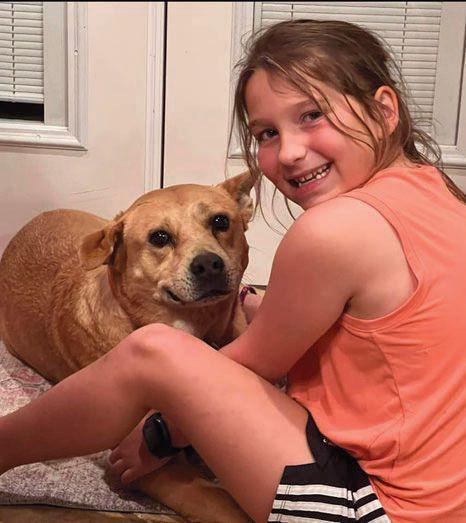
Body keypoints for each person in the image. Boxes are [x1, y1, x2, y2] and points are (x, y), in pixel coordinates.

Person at [1, 19, 465, 523]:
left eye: (312, 115)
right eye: (268, 133)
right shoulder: (438, 191)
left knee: (155, 352)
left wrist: (159, 434)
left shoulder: (333, 230)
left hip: (380, 508)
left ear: (384, 110)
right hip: (445, 493)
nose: (289, 151)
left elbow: (255, 361)